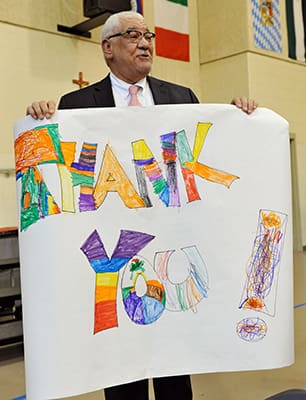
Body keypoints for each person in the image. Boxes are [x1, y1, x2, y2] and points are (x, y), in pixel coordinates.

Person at [26, 10, 258, 400]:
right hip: (115, 255)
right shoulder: (77, 103)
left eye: (147, 34)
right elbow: (65, 174)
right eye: (132, 35)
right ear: (108, 49)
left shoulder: (181, 98)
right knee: (121, 369)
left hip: (171, 253)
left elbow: (207, 158)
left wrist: (240, 118)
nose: (145, 42)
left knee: (173, 369)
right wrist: (41, 119)